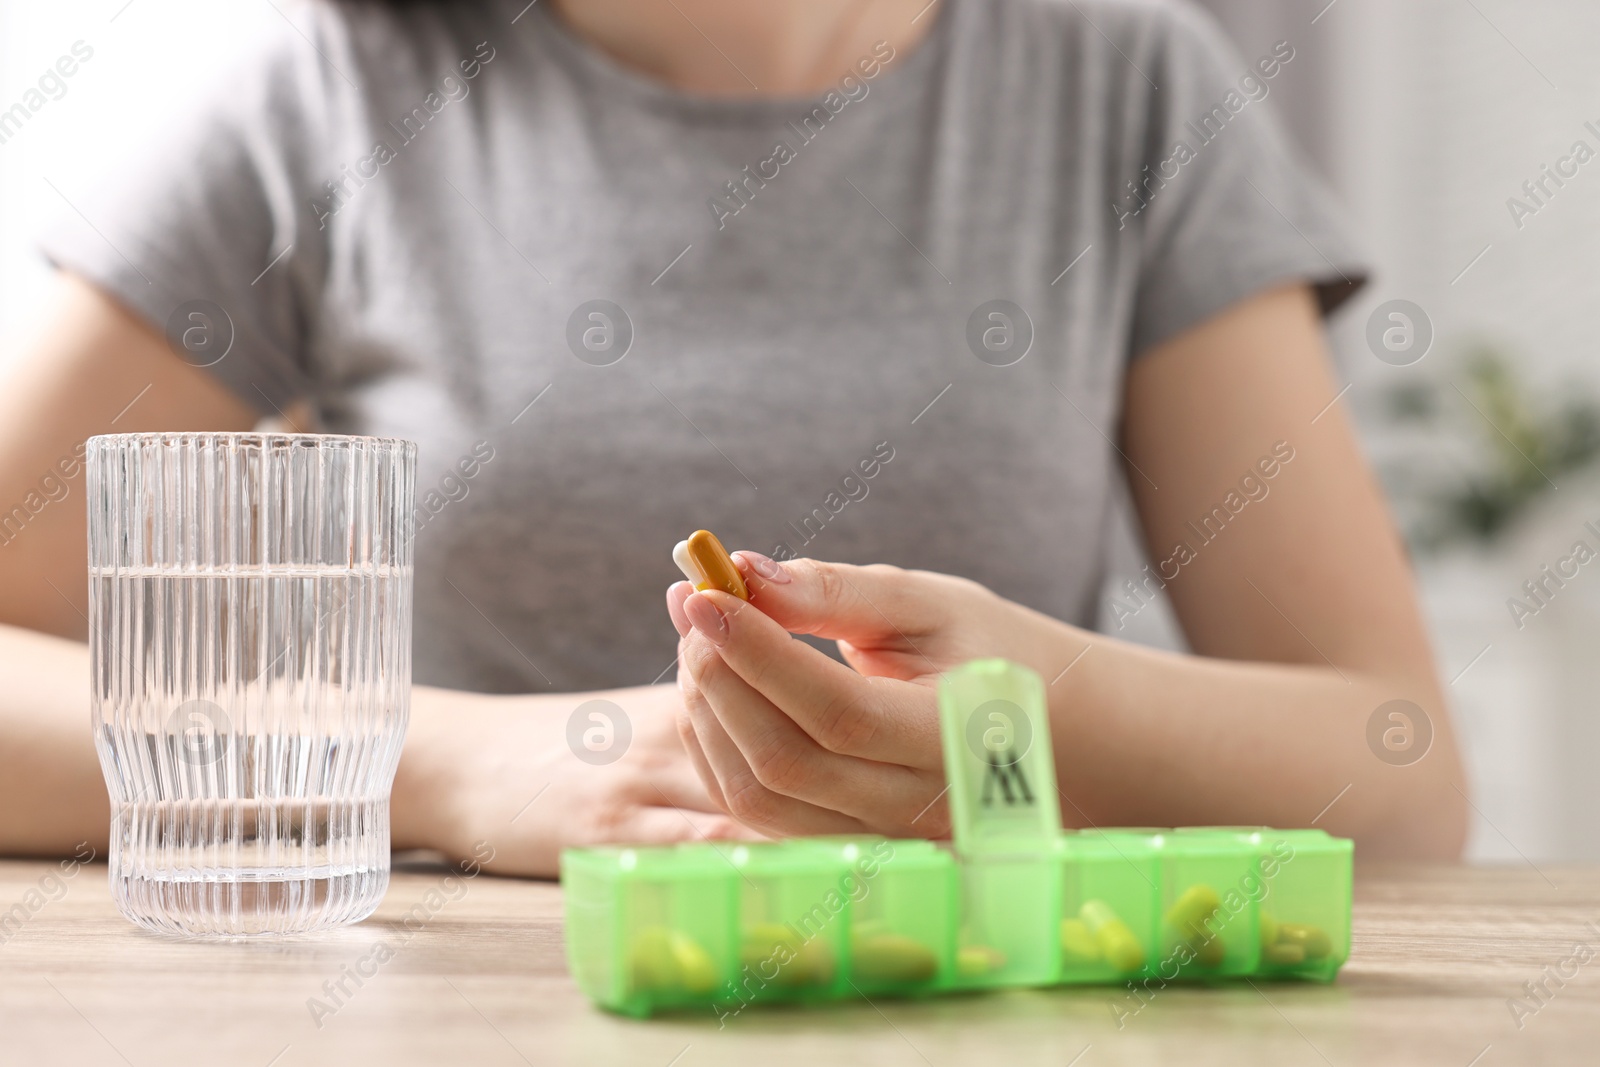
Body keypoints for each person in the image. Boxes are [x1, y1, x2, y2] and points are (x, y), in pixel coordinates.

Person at [0, 0, 1466, 878]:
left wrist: (1031, 714)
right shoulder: (326, 88)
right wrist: (442, 764)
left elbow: (1400, 775)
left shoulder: (1130, 82)